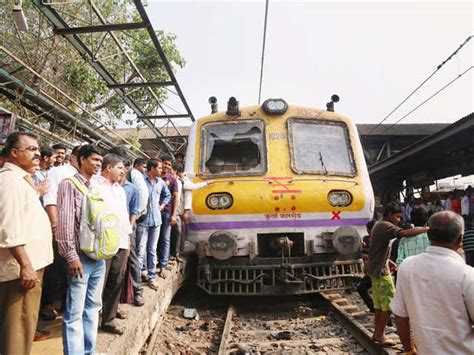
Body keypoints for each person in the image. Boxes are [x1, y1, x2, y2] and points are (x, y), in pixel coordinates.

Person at [0, 132, 53, 355]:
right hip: (20, 272)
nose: (37, 153)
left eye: (37, 149)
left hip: (26, 268)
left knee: (20, 328)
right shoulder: (10, 180)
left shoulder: (21, 179)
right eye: (31, 149)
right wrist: (26, 265)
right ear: (14, 153)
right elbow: (9, 227)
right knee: (17, 333)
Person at [391, 211, 474, 354]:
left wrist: (409, 350)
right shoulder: (467, 275)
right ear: (460, 239)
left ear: (428, 235)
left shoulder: (407, 267)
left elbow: (400, 316)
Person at [56, 144, 105, 354]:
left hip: (97, 258)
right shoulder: (69, 184)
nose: (97, 165)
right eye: (94, 160)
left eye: (100, 162)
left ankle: (88, 351)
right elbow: (65, 222)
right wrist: (71, 256)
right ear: (82, 159)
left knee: (92, 309)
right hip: (80, 258)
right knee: (74, 312)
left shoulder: (94, 186)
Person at [367, 202, 429, 346]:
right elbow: (403, 234)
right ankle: (380, 334)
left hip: (376, 269)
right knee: (390, 304)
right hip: (381, 272)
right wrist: (427, 229)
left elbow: (378, 248)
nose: (399, 220)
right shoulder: (385, 226)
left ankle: (377, 333)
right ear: (389, 215)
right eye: (397, 217)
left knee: (379, 305)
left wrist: (388, 260)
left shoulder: (378, 225)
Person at [95, 154, 133, 335]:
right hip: (102, 243)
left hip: (120, 241)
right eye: (120, 168)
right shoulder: (94, 185)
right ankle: (92, 320)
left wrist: (128, 239)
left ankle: (108, 320)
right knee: (98, 282)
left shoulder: (119, 189)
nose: (123, 171)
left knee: (116, 280)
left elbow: (124, 216)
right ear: (108, 167)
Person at [136, 158, 171, 290]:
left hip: (156, 220)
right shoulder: (140, 181)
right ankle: (138, 278)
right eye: (160, 168)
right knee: (140, 250)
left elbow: (167, 195)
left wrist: (161, 206)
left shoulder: (160, 182)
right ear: (152, 168)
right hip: (143, 221)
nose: (162, 170)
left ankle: (151, 276)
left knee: (151, 249)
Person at [121, 160, 144, 306]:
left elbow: (134, 210)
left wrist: (130, 227)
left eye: (123, 167)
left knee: (133, 258)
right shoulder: (102, 186)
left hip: (128, 228)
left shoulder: (131, 188)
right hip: (110, 230)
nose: (121, 171)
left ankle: (137, 291)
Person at [157, 156, 179, 278]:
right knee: (154, 239)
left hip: (166, 212)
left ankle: (163, 266)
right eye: (165, 163)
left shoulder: (173, 180)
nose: (167, 166)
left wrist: (174, 214)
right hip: (153, 212)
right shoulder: (154, 177)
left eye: (169, 165)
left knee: (165, 238)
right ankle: (155, 263)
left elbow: (175, 197)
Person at [357, 219, 376, 313]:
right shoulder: (366, 238)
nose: (368, 232)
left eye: (369, 229)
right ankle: (373, 308)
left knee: (362, 288)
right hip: (370, 271)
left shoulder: (379, 240)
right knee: (361, 288)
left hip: (377, 271)